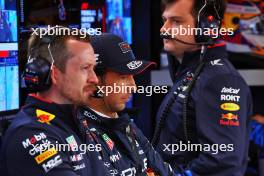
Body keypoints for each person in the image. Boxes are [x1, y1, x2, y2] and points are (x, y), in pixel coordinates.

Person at [151, 0, 253, 175]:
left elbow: (223, 161)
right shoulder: (192, 73)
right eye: (164, 20)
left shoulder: (220, 79)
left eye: (176, 21)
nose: (164, 30)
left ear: (206, 26)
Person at [0, 26, 99, 175]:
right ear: (54, 74)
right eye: (85, 68)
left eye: (94, 68)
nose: (94, 79)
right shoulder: (29, 133)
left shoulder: (76, 120)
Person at [75, 33, 175, 176]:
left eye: (132, 77)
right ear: (93, 79)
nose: (133, 87)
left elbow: (165, 172)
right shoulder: (76, 133)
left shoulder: (125, 123)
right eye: (123, 77)